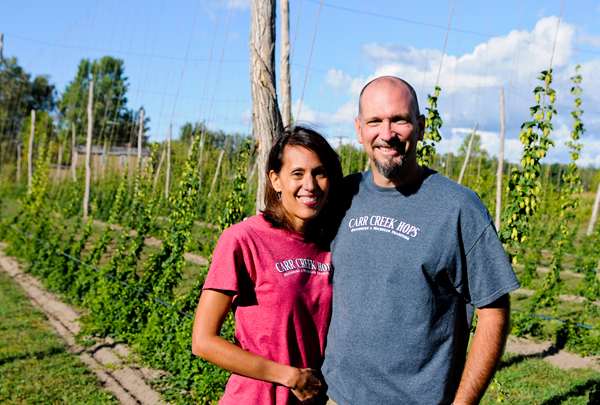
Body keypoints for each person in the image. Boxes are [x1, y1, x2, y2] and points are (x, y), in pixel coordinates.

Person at [321, 76, 520, 405]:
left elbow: (493, 311)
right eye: (375, 121)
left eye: (399, 119)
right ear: (359, 129)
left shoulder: (457, 208)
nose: (387, 134)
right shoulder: (342, 195)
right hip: (336, 398)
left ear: (422, 126)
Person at [192, 125, 343, 405]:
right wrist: (290, 376)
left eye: (319, 172)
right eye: (297, 174)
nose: (310, 185)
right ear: (275, 180)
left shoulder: (332, 243)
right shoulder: (243, 239)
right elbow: (203, 341)